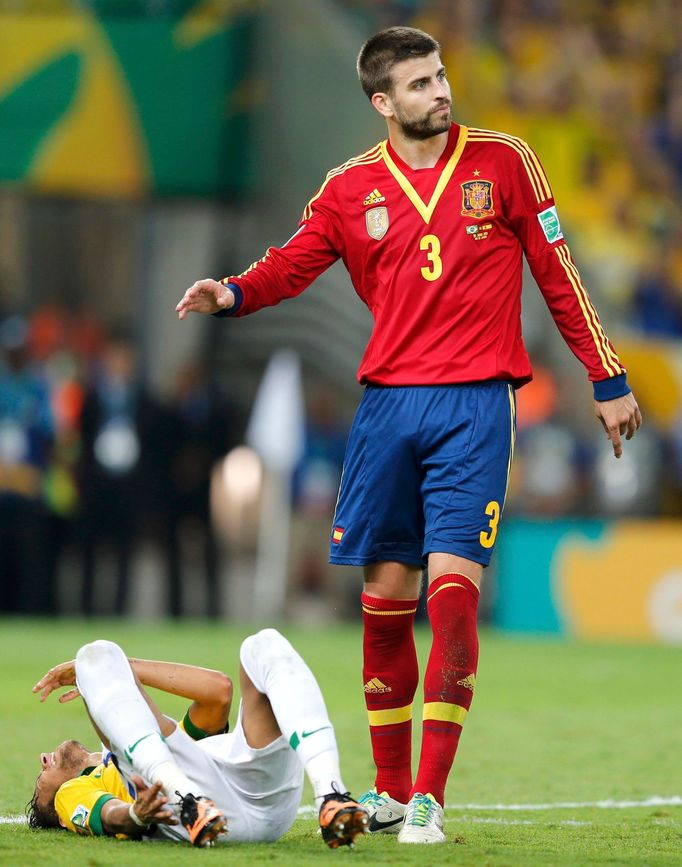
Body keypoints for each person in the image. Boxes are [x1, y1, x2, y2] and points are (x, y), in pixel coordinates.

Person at [175, 26, 642, 844]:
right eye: (420, 84)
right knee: (386, 603)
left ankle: (427, 798)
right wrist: (234, 293)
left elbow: (558, 273)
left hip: (475, 405)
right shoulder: (350, 187)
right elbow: (294, 260)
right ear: (383, 102)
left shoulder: (504, 162)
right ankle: (389, 790)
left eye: (440, 76)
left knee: (454, 596)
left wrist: (606, 376)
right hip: (388, 408)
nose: (441, 91)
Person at [27, 628, 368, 849]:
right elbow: (109, 814)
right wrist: (134, 816)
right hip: (182, 809)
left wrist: (119, 665)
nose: (43, 760)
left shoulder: (137, 736)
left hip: (242, 787)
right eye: (41, 780)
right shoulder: (71, 794)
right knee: (93, 654)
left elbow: (217, 693)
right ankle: (185, 798)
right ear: (58, 814)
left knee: (263, 645)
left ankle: (331, 794)